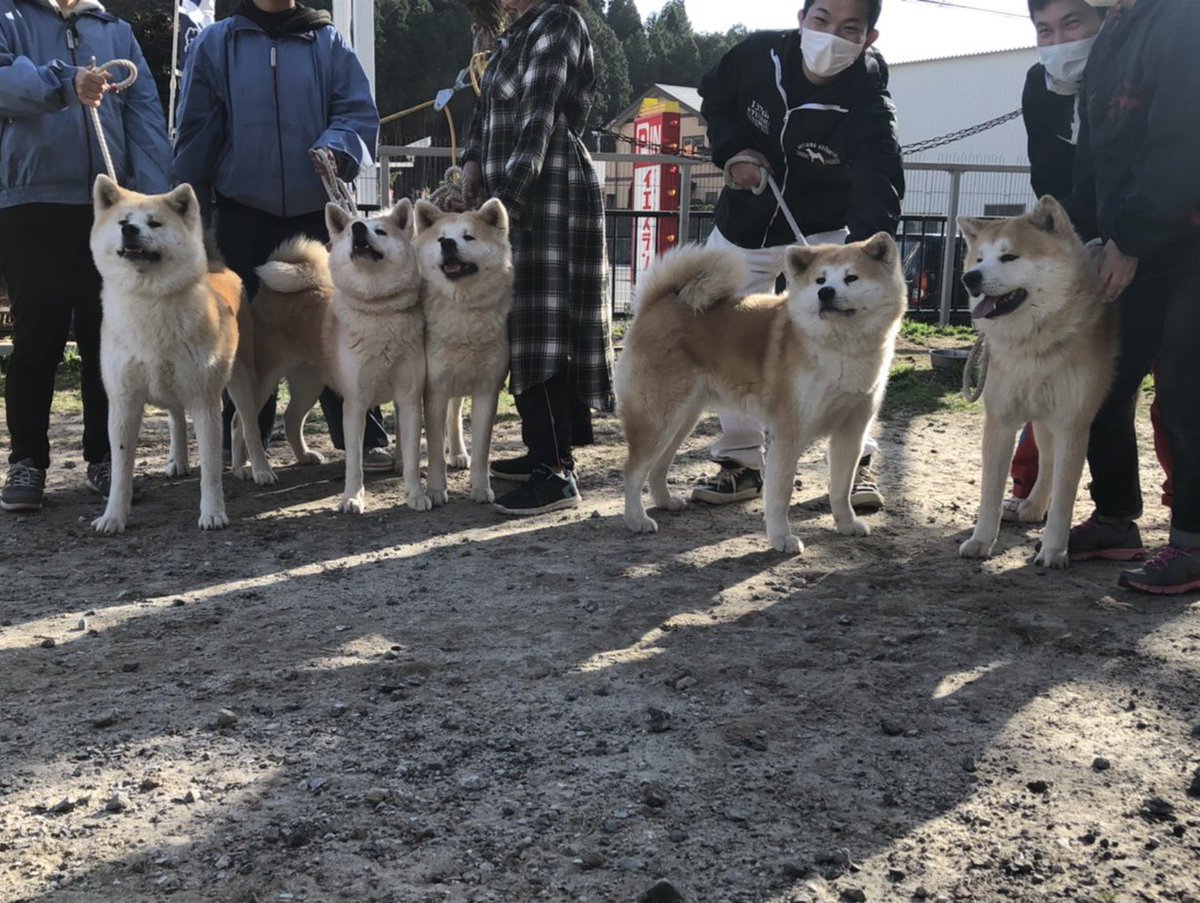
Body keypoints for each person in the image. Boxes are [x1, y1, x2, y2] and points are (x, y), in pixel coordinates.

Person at [694, 0, 903, 508]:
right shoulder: (755, 53)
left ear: (868, 38)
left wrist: (868, 255)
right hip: (741, 227)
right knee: (731, 340)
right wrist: (734, 151)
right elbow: (715, 99)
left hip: (820, 240)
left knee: (843, 347)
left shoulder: (870, 104)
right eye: (821, 19)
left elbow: (879, 182)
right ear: (800, 18)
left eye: (849, 28)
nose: (832, 35)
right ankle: (741, 461)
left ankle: (856, 465)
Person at [172, 0, 391, 470]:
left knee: (342, 324)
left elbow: (357, 113)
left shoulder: (329, 43)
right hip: (240, 212)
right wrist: (188, 208)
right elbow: (197, 128)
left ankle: (364, 437)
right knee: (241, 331)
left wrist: (337, 147)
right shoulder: (218, 42)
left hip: (319, 212)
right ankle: (245, 440)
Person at [1003, 0, 1173, 520]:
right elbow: (1049, 179)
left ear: (1106, 22)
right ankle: (1034, 488)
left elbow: (1158, 159)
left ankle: (1181, 500)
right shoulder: (1040, 85)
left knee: (1173, 380)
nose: (1059, 41)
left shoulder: (1144, 62)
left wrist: (1128, 238)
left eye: (1072, 23)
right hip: (1078, 245)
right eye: (1044, 29)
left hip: (1155, 234)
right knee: (1054, 362)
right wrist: (1075, 249)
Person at [0, 0, 171, 512]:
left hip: (112, 210)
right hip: (31, 201)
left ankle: (108, 457)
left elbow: (144, 117)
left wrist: (157, 202)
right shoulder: (7, 17)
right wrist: (62, 82)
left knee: (110, 337)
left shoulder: (116, 32)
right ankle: (26, 461)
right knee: (37, 335)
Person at [1062, 0, 1200, 593]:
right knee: (1105, 387)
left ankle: (1192, 542)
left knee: (1186, 396)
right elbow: (1095, 151)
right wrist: (1090, 235)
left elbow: (1179, 139)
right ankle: (1116, 518)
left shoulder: (1184, 17)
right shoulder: (1116, 30)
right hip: (1131, 243)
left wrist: (1132, 238)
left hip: (1186, 242)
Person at [461, 0, 614, 515]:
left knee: (540, 324)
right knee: (519, 323)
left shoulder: (558, 21)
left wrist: (504, 202)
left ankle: (557, 471)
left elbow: (539, 115)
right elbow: (486, 113)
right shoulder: (511, 36)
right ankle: (539, 450)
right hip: (512, 194)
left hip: (547, 191)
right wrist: (471, 167)